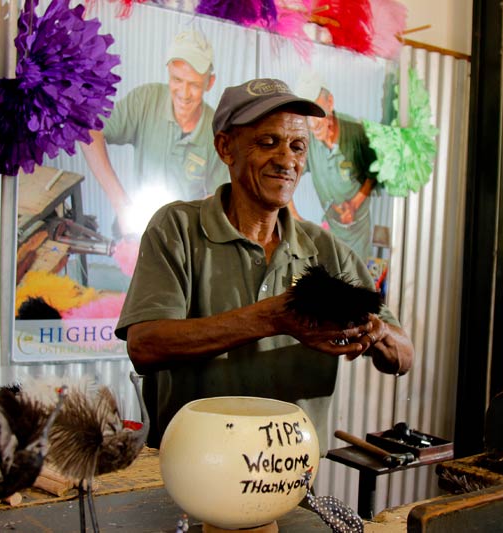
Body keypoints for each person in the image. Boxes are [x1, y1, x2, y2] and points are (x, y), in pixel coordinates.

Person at [115, 78, 414, 450]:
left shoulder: (326, 250)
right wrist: (273, 318)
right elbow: (144, 346)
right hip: (194, 467)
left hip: (290, 472)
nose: (287, 160)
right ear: (225, 147)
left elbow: (403, 356)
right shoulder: (177, 229)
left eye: (297, 146)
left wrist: (376, 333)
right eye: (268, 142)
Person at [80, 28, 227, 236]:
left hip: (183, 235)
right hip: (140, 226)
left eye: (194, 84)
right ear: (168, 71)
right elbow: (88, 130)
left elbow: (221, 197)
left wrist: (196, 219)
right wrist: (120, 203)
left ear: (209, 83)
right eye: (177, 80)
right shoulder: (145, 101)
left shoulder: (218, 133)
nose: (184, 94)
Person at [293, 71, 378, 260]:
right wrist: (295, 218)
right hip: (330, 229)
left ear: (330, 103)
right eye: (306, 115)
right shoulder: (307, 140)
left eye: (316, 111)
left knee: (355, 276)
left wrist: (354, 204)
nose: (312, 123)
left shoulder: (357, 132)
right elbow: (287, 176)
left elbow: (373, 173)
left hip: (357, 233)